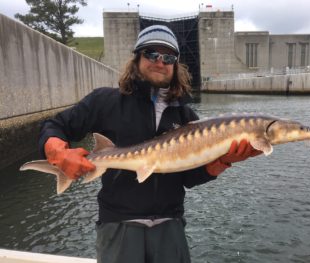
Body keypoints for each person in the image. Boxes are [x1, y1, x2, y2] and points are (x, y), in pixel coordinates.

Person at [39, 25, 261, 263]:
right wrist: (58, 154)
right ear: (136, 59)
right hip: (118, 224)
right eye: (151, 54)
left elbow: (189, 177)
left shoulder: (186, 117)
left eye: (168, 57)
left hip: (170, 225)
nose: (160, 62)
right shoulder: (104, 101)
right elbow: (55, 125)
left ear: (175, 65)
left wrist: (224, 161)